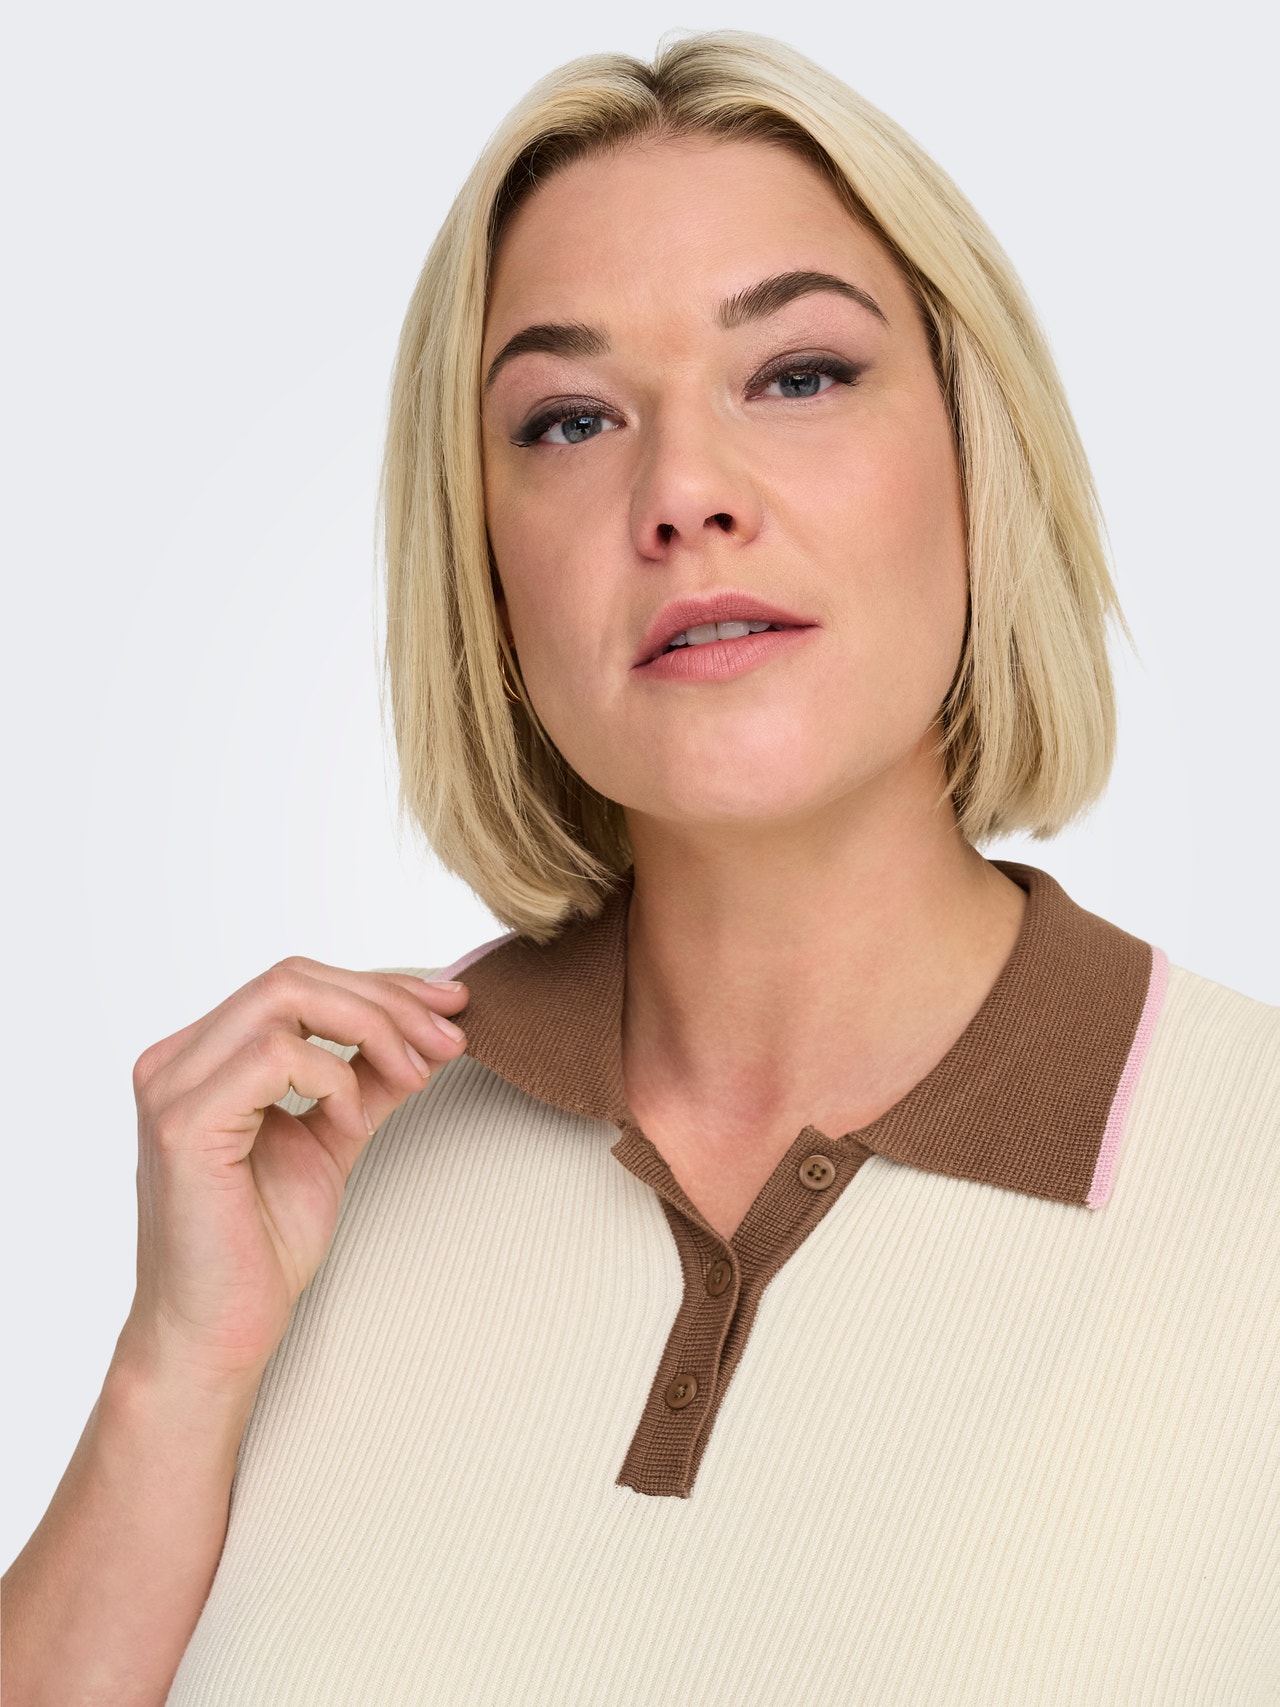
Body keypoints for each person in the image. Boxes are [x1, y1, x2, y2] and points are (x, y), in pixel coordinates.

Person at [4, 30, 1276, 1706]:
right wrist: (178, 1364)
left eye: (799, 376)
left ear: (981, 460)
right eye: (570, 418)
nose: (682, 494)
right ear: (483, 562)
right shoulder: (322, 1167)